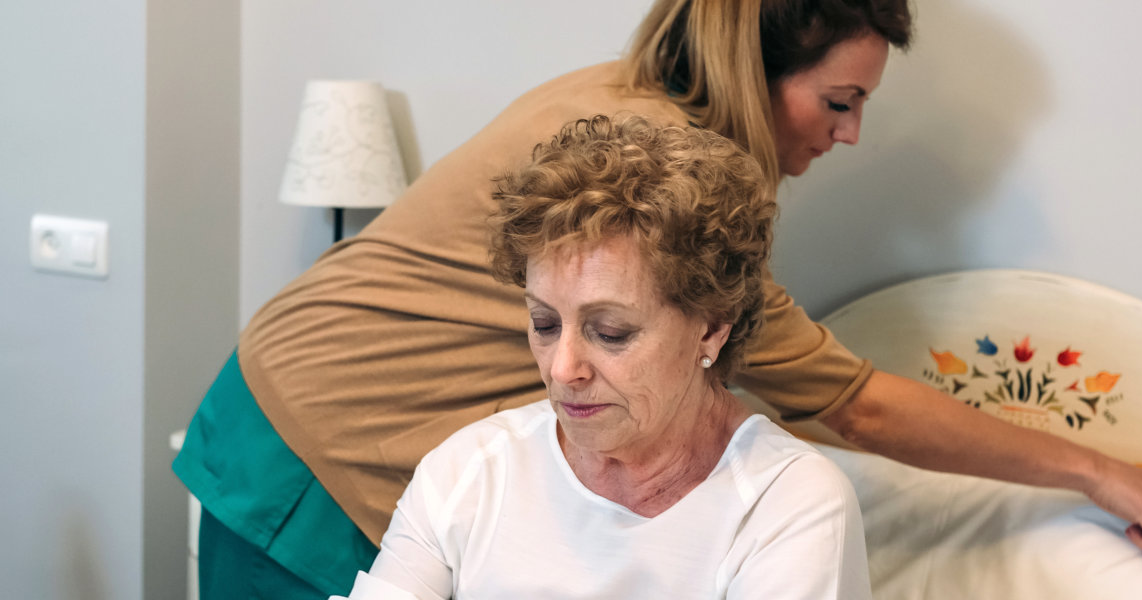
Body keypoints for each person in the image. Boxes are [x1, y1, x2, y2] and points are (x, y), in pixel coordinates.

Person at [176, 0, 1142, 597]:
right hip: (315, 436)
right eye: (838, 103)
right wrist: (1098, 471)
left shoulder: (614, 95)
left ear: (710, 335)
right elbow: (859, 403)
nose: (848, 137)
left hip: (290, 383)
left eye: (612, 329)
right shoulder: (656, 179)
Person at [331, 115, 871, 600]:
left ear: (710, 329)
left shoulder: (787, 504)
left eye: (611, 332)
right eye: (543, 323)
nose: (562, 369)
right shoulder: (471, 470)